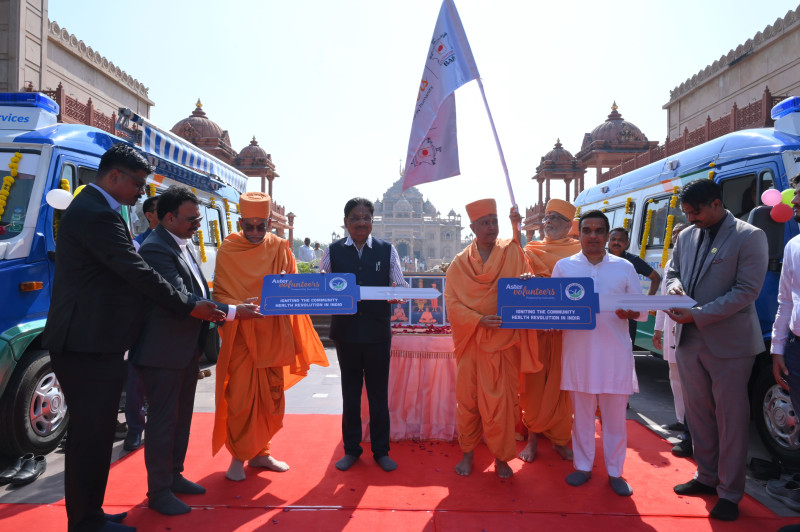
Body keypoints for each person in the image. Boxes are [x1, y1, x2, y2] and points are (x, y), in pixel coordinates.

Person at [41, 143, 225, 532]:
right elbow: (137, 272)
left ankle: (89, 512)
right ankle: (86, 520)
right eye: (139, 183)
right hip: (86, 342)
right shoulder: (96, 214)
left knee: (95, 432)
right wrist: (190, 306)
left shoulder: (100, 209)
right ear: (114, 176)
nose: (144, 193)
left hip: (93, 340)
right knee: (91, 435)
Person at [665, 179, 768, 521]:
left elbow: (746, 291)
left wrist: (698, 315)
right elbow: (672, 272)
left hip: (730, 346)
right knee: (699, 415)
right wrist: (675, 287)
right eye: (687, 213)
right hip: (689, 342)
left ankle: (730, 492)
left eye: (696, 212)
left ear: (715, 203)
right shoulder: (686, 236)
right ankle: (706, 477)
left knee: (731, 419)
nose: (692, 218)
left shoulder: (749, 236)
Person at [212, 191, 328, 481]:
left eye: (259, 226)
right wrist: (241, 310)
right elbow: (221, 294)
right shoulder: (228, 249)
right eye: (247, 226)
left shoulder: (279, 247)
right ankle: (238, 457)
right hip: (241, 337)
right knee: (239, 399)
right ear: (239, 222)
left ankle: (261, 453)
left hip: (273, 333)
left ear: (268, 224)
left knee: (271, 398)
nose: (253, 232)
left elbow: (290, 286)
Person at [552, 210, 645, 497]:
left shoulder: (624, 267)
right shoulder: (564, 267)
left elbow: (641, 311)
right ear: (578, 235)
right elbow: (553, 310)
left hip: (615, 354)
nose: (592, 236)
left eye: (598, 231)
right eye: (587, 230)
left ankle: (616, 471)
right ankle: (583, 466)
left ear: (607, 235)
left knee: (615, 417)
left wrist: (631, 312)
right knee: (581, 416)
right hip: (578, 353)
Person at [445, 199, 538, 479]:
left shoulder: (512, 252)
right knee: (469, 401)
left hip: (503, 341)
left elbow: (528, 279)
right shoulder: (459, 264)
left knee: (505, 404)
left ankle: (501, 458)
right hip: (473, 341)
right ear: (472, 227)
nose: (491, 227)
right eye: (484, 222)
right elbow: (452, 302)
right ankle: (468, 454)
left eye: (494, 221)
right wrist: (477, 320)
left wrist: (526, 281)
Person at [320, 197, 408, 472]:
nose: (361, 222)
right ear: (346, 222)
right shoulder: (333, 251)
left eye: (366, 217)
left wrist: (397, 296)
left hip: (378, 333)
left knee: (378, 395)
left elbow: (402, 287)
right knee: (351, 393)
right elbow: (321, 285)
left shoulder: (387, 250)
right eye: (355, 218)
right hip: (346, 334)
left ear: (373, 221)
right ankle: (351, 449)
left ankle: (381, 451)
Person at [518, 198, 581, 462]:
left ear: (569, 225)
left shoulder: (580, 252)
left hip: (569, 332)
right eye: (546, 217)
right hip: (538, 328)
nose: (548, 222)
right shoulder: (531, 249)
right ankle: (532, 439)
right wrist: (525, 280)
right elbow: (518, 279)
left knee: (564, 386)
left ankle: (560, 439)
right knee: (535, 383)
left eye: (555, 218)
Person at [772, 176, 800, 530]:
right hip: (796, 348)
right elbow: (785, 301)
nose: (795, 204)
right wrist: (778, 348)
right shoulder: (794, 245)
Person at [652, 223, 692, 456]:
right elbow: (663, 299)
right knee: (674, 374)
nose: (676, 237)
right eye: (674, 234)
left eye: (680, 233)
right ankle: (680, 418)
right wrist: (658, 330)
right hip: (670, 326)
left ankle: (692, 427)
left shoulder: (696, 259)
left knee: (691, 380)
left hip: (689, 326)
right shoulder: (670, 263)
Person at [124, 195, 160, 452]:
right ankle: (135, 430)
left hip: (171, 322)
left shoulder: (183, 244)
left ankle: (158, 427)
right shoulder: (137, 245)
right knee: (136, 378)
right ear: (149, 215)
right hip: (143, 319)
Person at [607, 226, 662, 346]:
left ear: (627, 243)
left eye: (620, 240)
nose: (616, 242)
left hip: (628, 315)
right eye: (613, 239)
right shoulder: (599, 259)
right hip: (604, 314)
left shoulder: (633, 261)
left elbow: (656, 278)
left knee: (625, 349)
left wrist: (646, 303)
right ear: (608, 240)